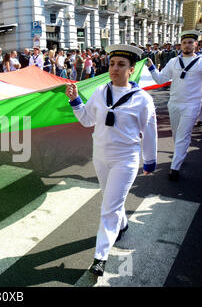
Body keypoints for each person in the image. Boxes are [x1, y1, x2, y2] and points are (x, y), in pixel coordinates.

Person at [65, 44, 157, 277]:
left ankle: (100, 257)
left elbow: (150, 131)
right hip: (101, 156)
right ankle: (122, 223)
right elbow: (87, 120)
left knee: (109, 207)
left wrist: (150, 161)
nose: (114, 69)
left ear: (131, 69)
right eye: (112, 64)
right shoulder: (99, 91)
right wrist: (75, 101)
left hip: (125, 160)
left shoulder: (142, 99)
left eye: (121, 65)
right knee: (111, 199)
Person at [146, 30, 202, 181]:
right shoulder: (173, 62)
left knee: (183, 136)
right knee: (177, 135)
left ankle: (174, 167)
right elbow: (160, 79)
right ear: (181, 45)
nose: (187, 45)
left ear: (195, 44)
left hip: (192, 105)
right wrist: (151, 67)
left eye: (190, 42)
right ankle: (181, 155)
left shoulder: (201, 62)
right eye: (184, 43)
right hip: (174, 104)